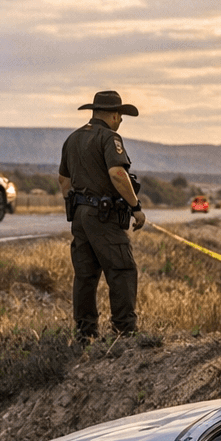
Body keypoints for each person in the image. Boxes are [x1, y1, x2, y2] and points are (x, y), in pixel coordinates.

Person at [59, 90, 146, 341]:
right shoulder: (110, 138)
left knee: (85, 276)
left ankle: (85, 334)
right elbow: (118, 174)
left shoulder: (73, 139)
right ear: (114, 114)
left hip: (80, 216)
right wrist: (135, 207)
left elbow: (63, 180)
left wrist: (75, 204)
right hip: (104, 215)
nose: (120, 121)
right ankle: (124, 332)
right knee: (122, 269)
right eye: (120, 116)